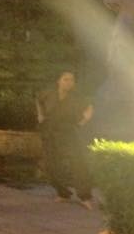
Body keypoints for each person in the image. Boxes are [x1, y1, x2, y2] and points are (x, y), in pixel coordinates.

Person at [37, 70, 93, 208]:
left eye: (71, 80)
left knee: (77, 163)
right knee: (50, 165)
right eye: (65, 79)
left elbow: (89, 107)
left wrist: (84, 120)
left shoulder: (76, 98)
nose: (69, 83)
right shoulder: (48, 94)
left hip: (68, 132)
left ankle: (84, 196)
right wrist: (40, 116)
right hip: (49, 132)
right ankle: (63, 193)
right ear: (59, 81)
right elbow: (38, 100)